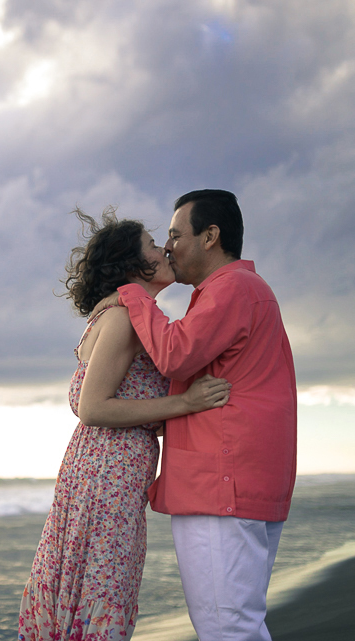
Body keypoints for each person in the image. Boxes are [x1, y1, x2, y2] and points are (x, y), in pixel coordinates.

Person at [18, 207, 231, 641]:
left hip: (105, 469)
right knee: (103, 583)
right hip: (108, 473)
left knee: (96, 580)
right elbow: (94, 408)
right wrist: (185, 403)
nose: (165, 249)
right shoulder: (122, 319)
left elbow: (126, 403)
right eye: (153, 244)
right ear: (133, 264)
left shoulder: (127, 315)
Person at [115, 189, 296, 641]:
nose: (168, 246)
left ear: (210, 236)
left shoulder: (232, 288)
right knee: (240, 624)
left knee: (227, 628)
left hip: (221, 486)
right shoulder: (245, 291)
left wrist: (134, 295)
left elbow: (174, 355)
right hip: (242, 483)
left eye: (176, 235)